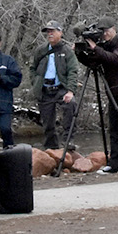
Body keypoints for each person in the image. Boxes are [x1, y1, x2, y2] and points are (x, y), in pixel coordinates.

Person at [77, 23, 118, 173]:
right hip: (114, 93)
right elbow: (94, 63)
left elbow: (115, 58)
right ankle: (113, 163)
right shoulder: (103, 46)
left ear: (114, 29)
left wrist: (96, 48)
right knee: (114, 128)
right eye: (102, 32)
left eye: (107, 31)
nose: (105, 34)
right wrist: (81, 54)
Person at [31, 23, 79, 155]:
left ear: (60, 32)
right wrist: (35, 83)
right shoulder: (41, 50)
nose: (50, 34)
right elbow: (32, 67)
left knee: (71, 105)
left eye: (52, 31)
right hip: (45, 89)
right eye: (48, 32)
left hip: (60, 88)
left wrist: (70, 90)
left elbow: (73, 71)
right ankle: (51, 149)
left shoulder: (67, 51)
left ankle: (68, 141)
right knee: (47, 123)